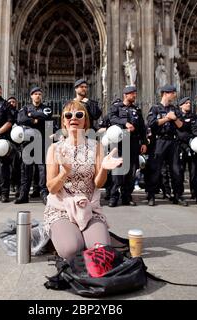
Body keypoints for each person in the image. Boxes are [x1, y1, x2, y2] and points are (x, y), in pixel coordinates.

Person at [44, 100, 123, 261]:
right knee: (71, 250)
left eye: (79, 114)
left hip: (89, 208)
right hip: (61, 209)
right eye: (68, 115)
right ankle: (61, 234)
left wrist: (104, 169)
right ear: (64, 122)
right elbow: (51, 188)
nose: (73, 118)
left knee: (101, 252)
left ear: (85, 121)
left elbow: (98, 184)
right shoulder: (55, 148)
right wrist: (64, 172)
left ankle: (82, 234)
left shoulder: (97, 146)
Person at [146, 84, 187, 206]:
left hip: (172, 142)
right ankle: (151, 195)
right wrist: (167, 118)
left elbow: (181, 126)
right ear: (165, 93)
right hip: (159, 141)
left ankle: (178, 195)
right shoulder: (155, 108)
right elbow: (151, 123)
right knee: (155, 169)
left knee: (176, 170)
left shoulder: (174, 109)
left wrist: (174, 119)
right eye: (172, 93)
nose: (174, 95)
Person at [107, 85, 147, 207]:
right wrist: (125, 123)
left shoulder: (137, 110)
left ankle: (127, 197)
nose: (134, 95)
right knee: (118, 172)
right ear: (125, 95)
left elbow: (142, 127)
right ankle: (114, 197)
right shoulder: (116, 107)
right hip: (120, 143)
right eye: (132, 94)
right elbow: (112, 118)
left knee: (131, 172)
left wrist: (144, 142)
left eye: (135, 93)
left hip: (134, 143)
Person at [15, 87, 53, 204]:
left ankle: (43, 193)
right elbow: (20, 119)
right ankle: (24, 194)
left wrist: (31, 115)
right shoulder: (25, 108)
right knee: (26, 169)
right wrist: (34, 120)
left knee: (42, 169)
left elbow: (46, 116)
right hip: (28, 143)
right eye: (35, 94)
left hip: (42, 141)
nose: (37, 96)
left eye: (39, 94)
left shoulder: (46, 108)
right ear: (31, 96)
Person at [176, 97, 197, 200]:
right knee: (180, 171)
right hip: (180, 146)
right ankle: (179, 193)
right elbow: (179, 130)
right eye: (186, 103)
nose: (188, 104)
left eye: (189, 103)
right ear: (181, 105)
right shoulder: (177, 116)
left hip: (192, 145)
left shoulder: (193, 116)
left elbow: (194, 130)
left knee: (194, 171)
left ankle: (195, 193)